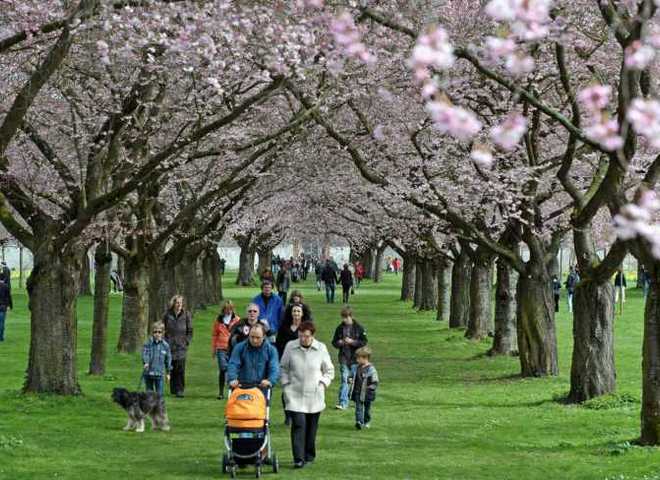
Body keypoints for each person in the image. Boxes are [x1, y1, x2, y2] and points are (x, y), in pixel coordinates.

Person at [280, 321, 335, 469]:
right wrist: (285, 385)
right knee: (299, 425)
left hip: (315, 395)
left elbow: (329, 370)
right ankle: (298, 458)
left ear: (312, 336)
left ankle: (309, 455)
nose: (303, 339)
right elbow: (283, 368)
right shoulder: (290, 346)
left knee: (311, 428)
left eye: (306, 336)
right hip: (294, 394)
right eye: (301, 335)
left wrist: (323, 384)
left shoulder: (321, 348)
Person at [331, 307, 367, 410]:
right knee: (344, 380)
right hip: (344, 358)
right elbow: (334, 342)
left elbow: (364, 342)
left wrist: (352, 342)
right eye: (343, 317)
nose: (344, 320)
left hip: (356, 359)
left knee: (354, 381)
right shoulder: (339, 328)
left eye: (346, 317)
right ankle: (343, 403)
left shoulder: (359, 328)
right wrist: (340, 342)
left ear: (351, 316)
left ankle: (357, 400)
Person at [276, 304, 305, 425]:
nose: (296, 313)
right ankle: (288, 416)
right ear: (291, 313)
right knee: (286, 390)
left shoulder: (305, 328)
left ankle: (298, 414)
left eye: (298, 311)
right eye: (294, 311)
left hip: (301, 363)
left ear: (302, 313)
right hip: (286, 362)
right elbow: (278, 343)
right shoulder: (284, 327)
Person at [227, 323, 279, 389]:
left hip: (261, 387)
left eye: (258, 338)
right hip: (241, 386)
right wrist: (232, 378)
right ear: (248, 335)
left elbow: (274, 367)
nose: (254, 340)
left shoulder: (271, 350)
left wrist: (270, 380)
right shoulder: (239, 347)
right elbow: (233, 364)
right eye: (252, 337)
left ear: (263, 337)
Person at [163, 295, 193, 398]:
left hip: (181, 345)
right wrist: (165, 341)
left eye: (180, 303)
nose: (179, 305)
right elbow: (163, 329)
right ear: (173, 303)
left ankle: (180, 390)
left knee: (180, 368)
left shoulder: (186, 315)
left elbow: (190, 330)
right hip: (169, 345)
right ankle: (173, 388)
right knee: (172, 367)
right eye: (177, 303)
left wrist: (187, 341)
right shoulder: (167, 315)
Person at [212, 300, 241, 399]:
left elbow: (240, 334)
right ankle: (221, 392)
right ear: (223, 310)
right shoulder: (219, 320)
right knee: (223, 368)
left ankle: (233, 390)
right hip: (221, 347)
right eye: (227, 309)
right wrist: (214, 348)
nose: (228, 311)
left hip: (233, 348)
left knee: (233, 369)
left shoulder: (237, 320)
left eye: (230, 309)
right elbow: (215, 335)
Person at [352, 346, 379, 430]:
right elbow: (352, 375)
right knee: (358, 408)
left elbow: (375, 381)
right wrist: (350, 379)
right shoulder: (356, 367)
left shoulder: (371, 369)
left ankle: (366, 421)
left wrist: (370, 387)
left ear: (365, 358)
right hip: (357, 392)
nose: (357, 360)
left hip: (367, 393)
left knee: (367, 409)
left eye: (358, 358)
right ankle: (359, 422)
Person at [142, 322, 172, 396]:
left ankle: (159, 407)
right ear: (152, 332)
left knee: (159, 395)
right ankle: (149, 407)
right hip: (148, 373)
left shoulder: (165, 346)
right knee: (149, 396)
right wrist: (146, 362)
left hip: (159, 374)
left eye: (159, 332)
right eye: (155, 332)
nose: (157, 334)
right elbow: (145, 353)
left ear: (163, 333)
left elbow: (168, 360)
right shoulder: (148, 343)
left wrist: (168, 373)